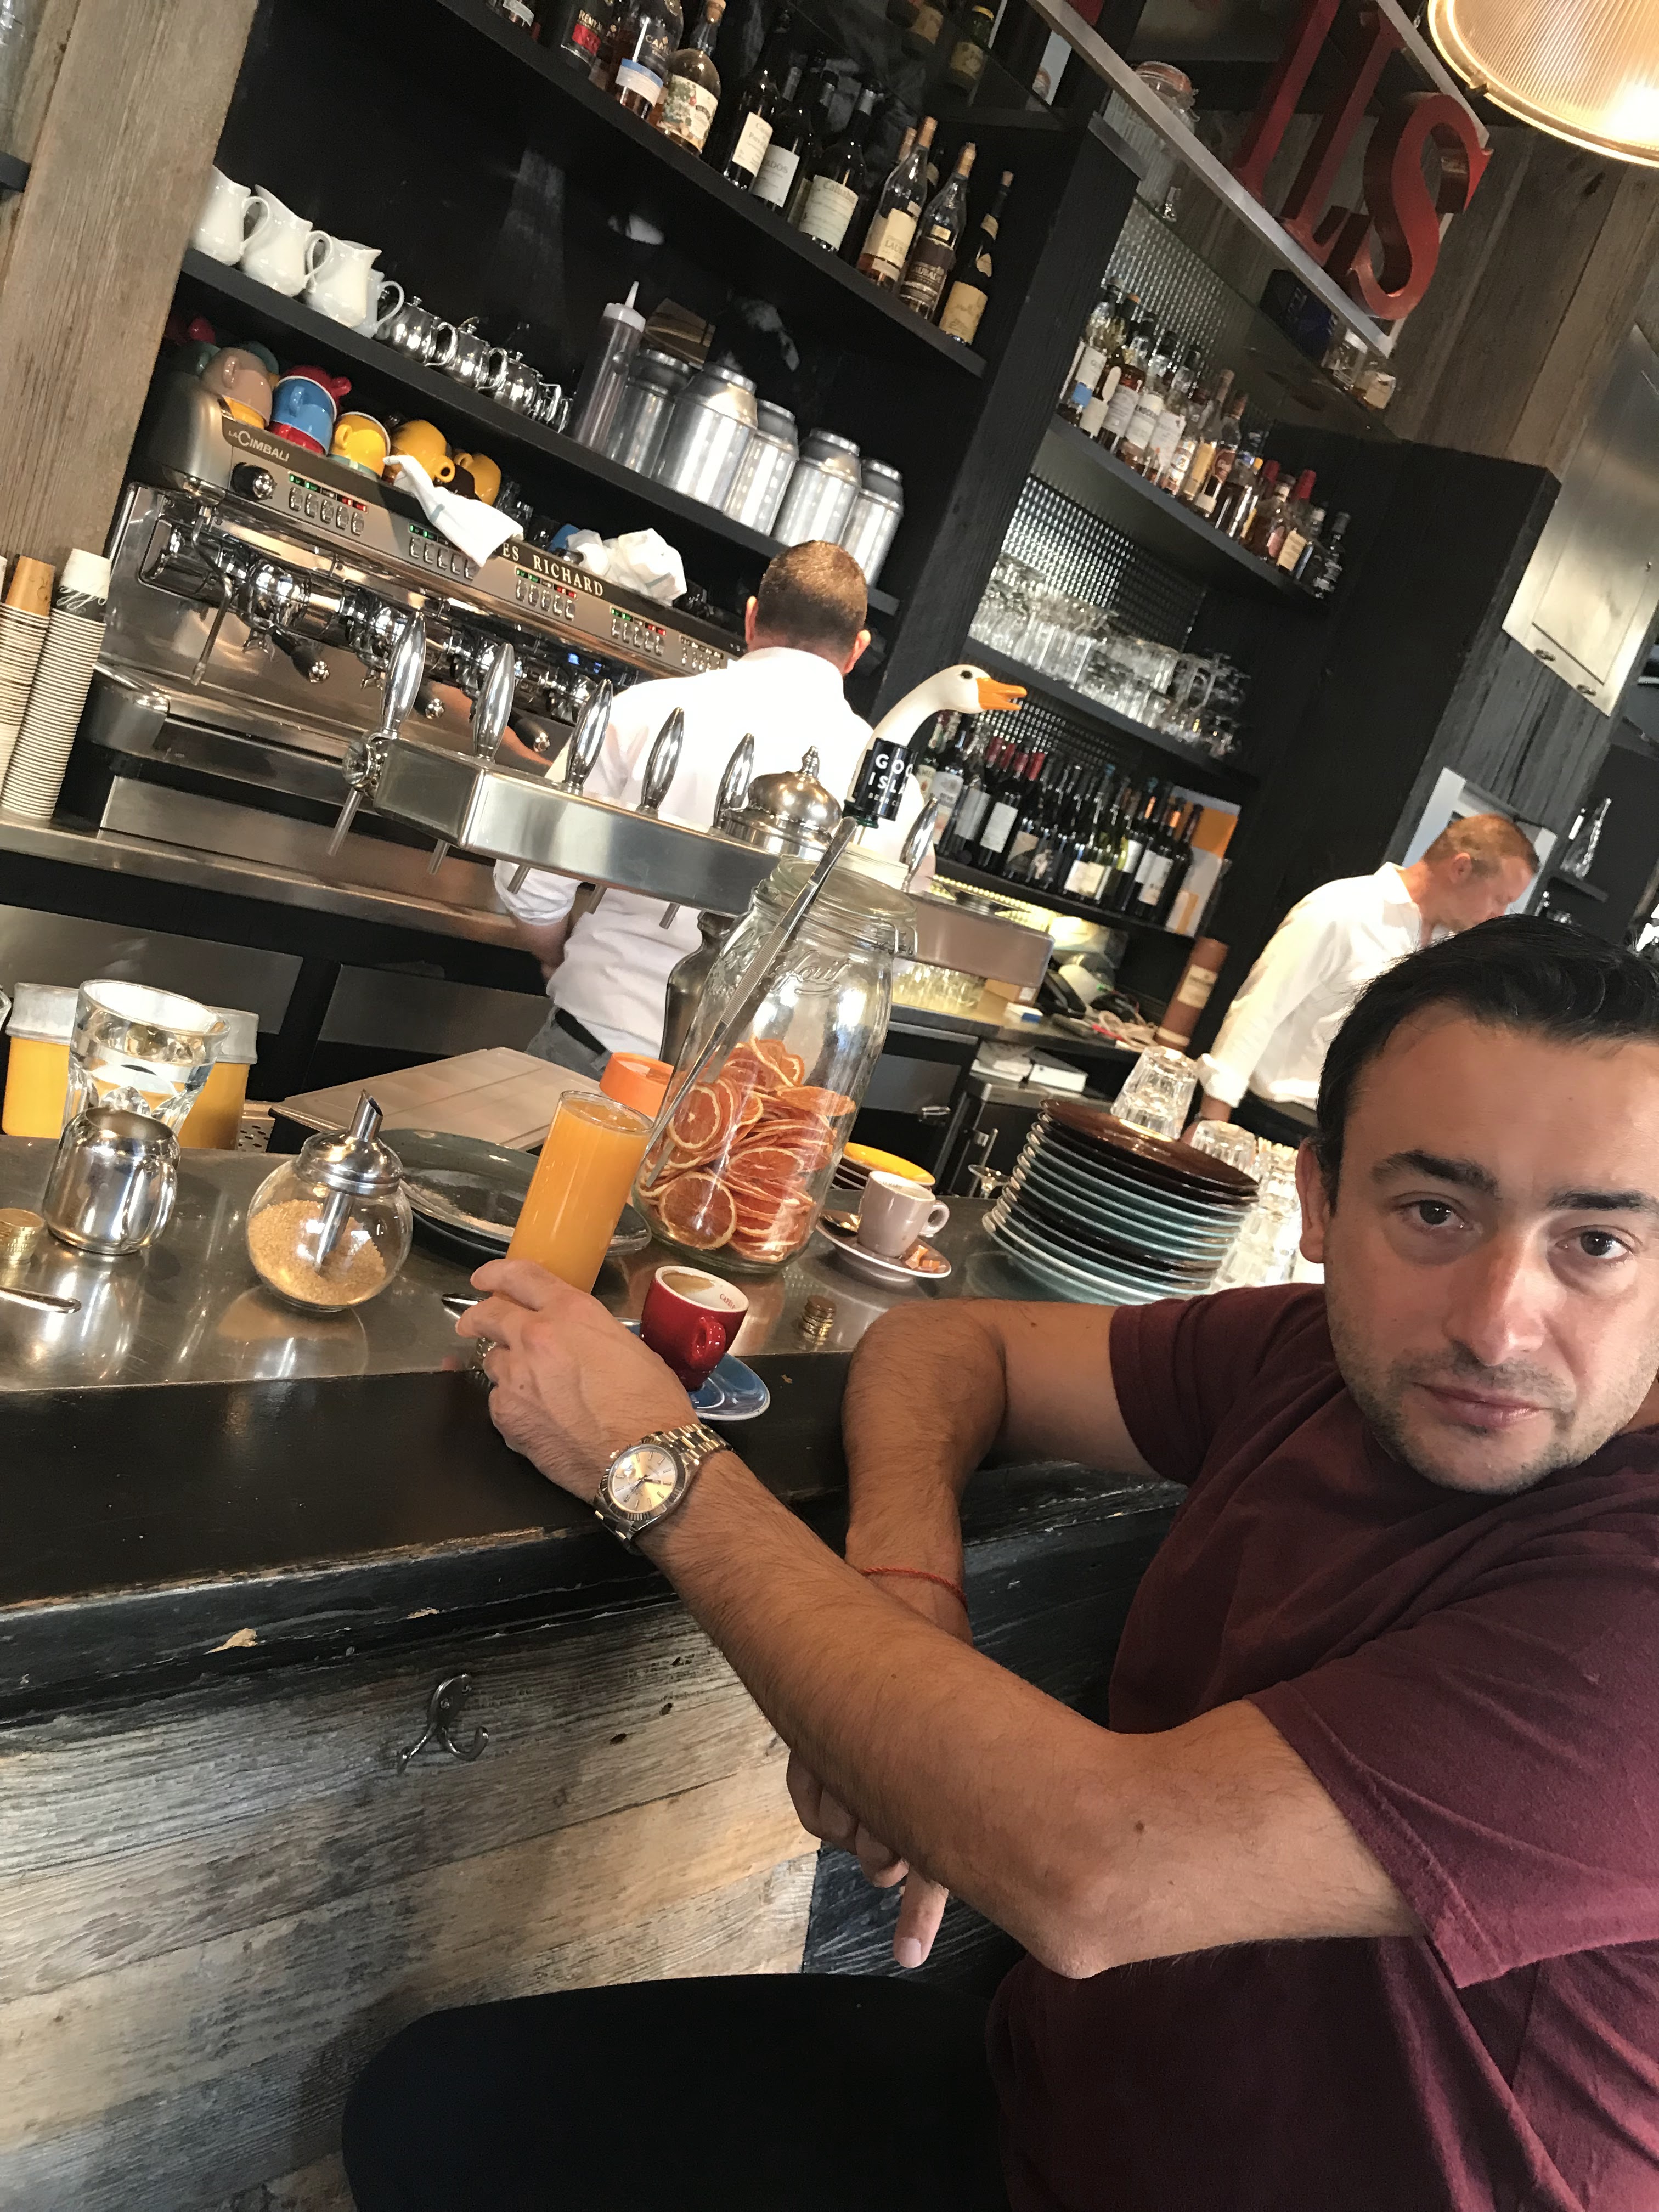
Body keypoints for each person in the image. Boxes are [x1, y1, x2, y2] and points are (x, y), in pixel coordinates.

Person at [343, 913, 1659, 2211]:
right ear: (1320, 1200)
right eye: (1433, 1211)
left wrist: (656, 1464)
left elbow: (1091, 1871)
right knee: (438, 2111)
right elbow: (947, 1346)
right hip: (1041, 2120)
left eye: (1596, 1242)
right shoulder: (1313, 1358)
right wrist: (907, 1589)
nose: (1499, 1325)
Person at [496, 540, 878, 1075]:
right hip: (750, 1088)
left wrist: (555, 956)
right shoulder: (883, 782)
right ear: (857, 649)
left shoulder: (643, 711)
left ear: (751, 618)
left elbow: (527, 878)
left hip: (600, 1039)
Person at [1194, 812, 1538, 1144]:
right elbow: (1259, 1009)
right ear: (1460, 868)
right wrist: (1211, 1123)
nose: (1498, 916)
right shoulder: (1343, 909)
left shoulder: (1447, 949)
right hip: (1271, 1121)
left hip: (1350, 1139)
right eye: (1500, 900)